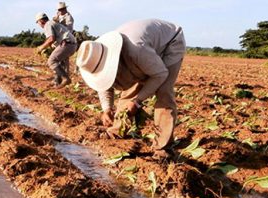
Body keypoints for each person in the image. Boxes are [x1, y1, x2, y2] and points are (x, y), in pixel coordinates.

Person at [76, 19, 186, 157]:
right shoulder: (98, 53)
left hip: (170, 43)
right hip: (144, 48)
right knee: (129, 89)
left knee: (164, 92)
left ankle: (163, 147)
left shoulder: (136, 50)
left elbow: (160, 74)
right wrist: (107, 108)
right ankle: (117, 130)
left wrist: (137, 101)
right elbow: (104, 83)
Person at [35, 12, 77, 88]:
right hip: (72, 45)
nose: (39, 25)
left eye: (38, 23)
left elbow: (51, 38)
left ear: (41, 21)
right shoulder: (53, 23)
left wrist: (41, 47)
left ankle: (66, 79)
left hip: (66, 44)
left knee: (51, 61)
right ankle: (57, 82)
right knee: (59, 63)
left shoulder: (47, 24)